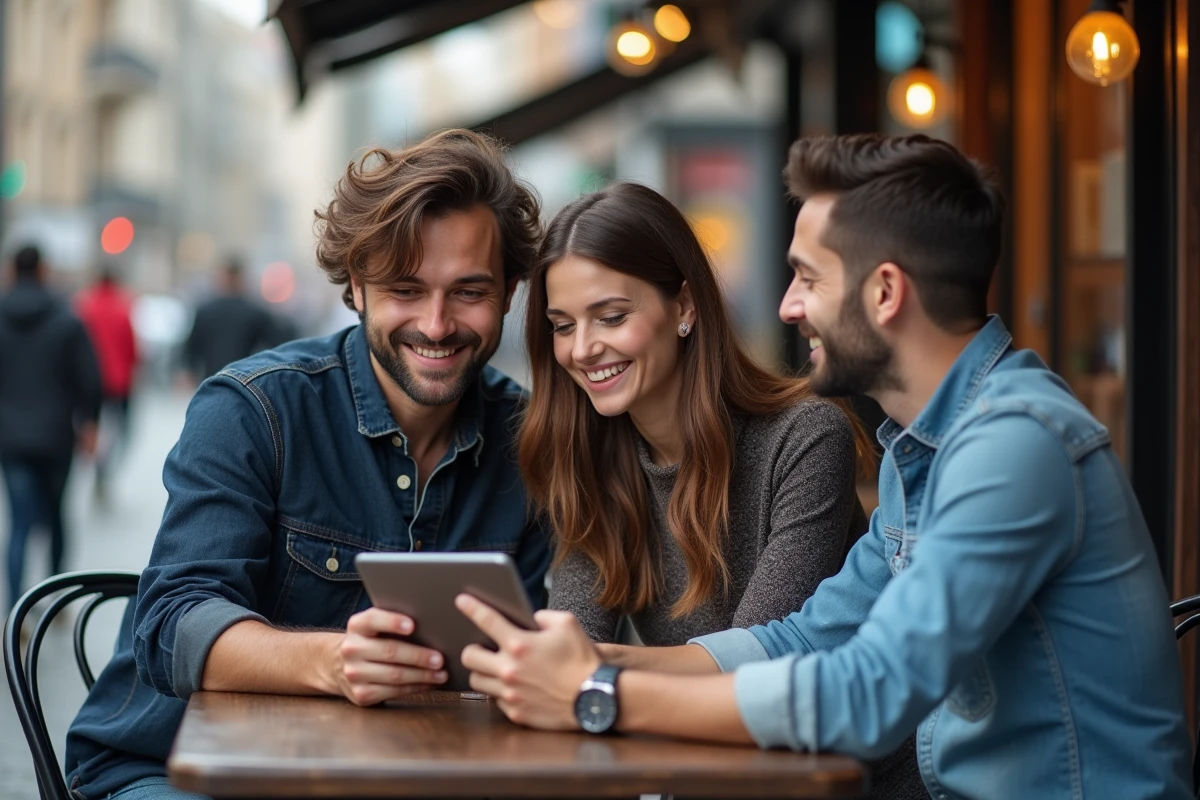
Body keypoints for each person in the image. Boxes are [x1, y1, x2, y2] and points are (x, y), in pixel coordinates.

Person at [457, 133, 1194, 799]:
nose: (786, 307)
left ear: (883, 292)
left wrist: (596, 692)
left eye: (807, 278)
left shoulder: (1015, 444)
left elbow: (868, 694)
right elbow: (802, 639)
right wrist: (588, 662)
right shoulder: (923, 452)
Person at [65, 128, 553, 800]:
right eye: (406, 289)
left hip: (401, 774)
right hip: (171, 768)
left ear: (509, 290)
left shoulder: (533, 442)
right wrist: (333, 661)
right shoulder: (252, 409)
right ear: (355, 285)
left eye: (468, 291)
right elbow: (173, 621)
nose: (436, 325)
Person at [522, 182, 925, 797]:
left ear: (684, 307)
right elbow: (577, 644)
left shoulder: (804, 438)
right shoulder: (591, 459)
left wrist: (585, 678)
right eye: (561, 325)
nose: (582, 349)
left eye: (611, 317)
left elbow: (757, 672)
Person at [0, 244, 101, 610]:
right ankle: (56, 598)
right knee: (56, 516)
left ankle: (17, 608)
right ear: (43, 271)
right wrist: (90, 423)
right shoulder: (67, 319)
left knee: (19, 523)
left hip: (9, 438)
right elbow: (89, 380)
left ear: (12, 270)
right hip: (56, 435)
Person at [75, 264, 139, 503]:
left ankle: (97, 466)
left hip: (88, 381)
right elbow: (131, 346)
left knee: (91, 427)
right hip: (118, 380)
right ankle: (105, 469)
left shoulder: (83, 305)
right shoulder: (122, 306)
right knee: (121, 430)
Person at [182, 257, 282, 381]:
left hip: (211, 379)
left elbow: (192, 348)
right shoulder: (255, 312)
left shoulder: (205, 310)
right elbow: (276, 345)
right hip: (243, 379)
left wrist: (188, 369)